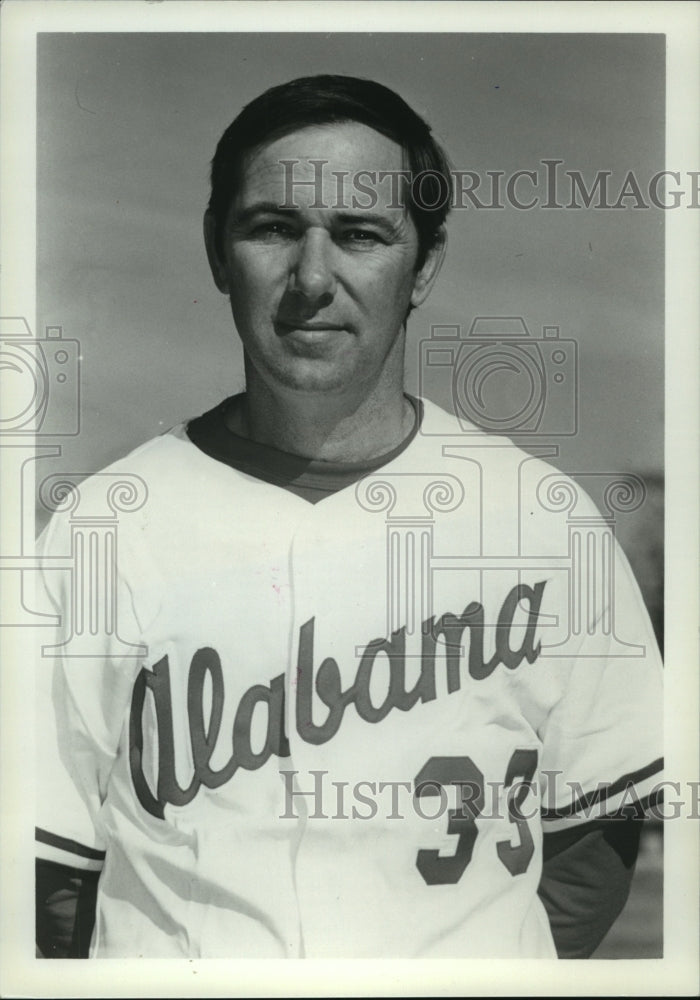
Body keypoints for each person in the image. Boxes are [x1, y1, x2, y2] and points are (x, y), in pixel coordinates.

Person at [35, 74, 663, 959]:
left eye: (361, 235)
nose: (313, 277)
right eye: (273, 228)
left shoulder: (542, 520)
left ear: (425, 266)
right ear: (218, 253)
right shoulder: (102, 528)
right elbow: (48, 876)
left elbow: (593, 849)